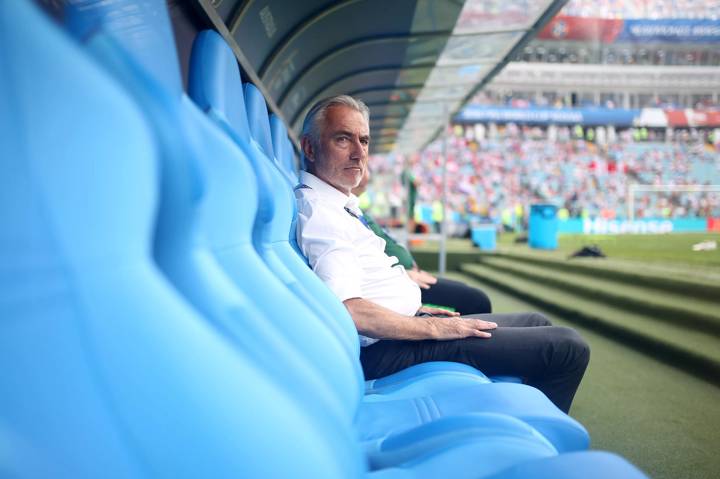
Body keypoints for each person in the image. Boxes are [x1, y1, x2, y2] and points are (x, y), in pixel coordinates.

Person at [295, 95, 589, 413]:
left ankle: (521, 416)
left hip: (405, 330)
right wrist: (434, 328)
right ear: (310, 148)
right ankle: (539, 440)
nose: (359, 153)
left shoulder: (339, 203)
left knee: (537, 322)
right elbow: (351, 310)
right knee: (568, 348)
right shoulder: (323, 214)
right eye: (343, 139)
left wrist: (421, 315)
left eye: (364, 141)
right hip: (389, 349)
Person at [351, 168, 492, 314]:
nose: (366, 174)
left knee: (467, 292)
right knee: (476, 300)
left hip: (404, 275)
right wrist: (401, 273)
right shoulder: (343, 212)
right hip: (395, 281)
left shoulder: (354, 208)